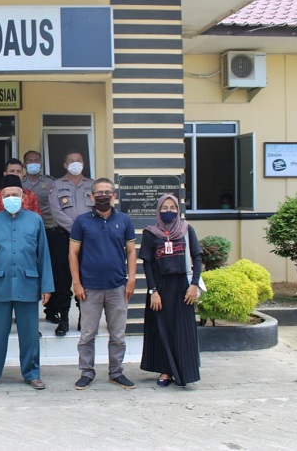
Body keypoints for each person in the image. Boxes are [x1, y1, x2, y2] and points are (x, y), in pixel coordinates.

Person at [0, 175, 54, 391]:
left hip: (28, 283)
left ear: (23, 196)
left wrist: (46, 286)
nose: (11, 198)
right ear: (1, 198)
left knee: (29, 334)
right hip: (0, 284)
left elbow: (43, 254)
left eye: (15, 194)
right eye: (7, 195)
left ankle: (32, 373)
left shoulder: (35, 220)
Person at [69, 178, 137, 390]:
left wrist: (131, 279)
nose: (103, 196)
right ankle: (86, 372)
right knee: (87, 334)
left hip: (117, 286)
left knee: (118, 335)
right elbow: (73, 253)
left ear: (114, 196)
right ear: (92, 196)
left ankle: (116, 372)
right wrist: (76, 283)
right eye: (99, 192)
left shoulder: (124, 220)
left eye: (108, 192)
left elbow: (131, 251)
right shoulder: (81, 221)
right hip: (89, 287)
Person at [140, 194, 202, 387]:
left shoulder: (186, 230)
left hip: (183, 287)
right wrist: (153, 291)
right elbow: (147, 264)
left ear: (178, 209)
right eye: (164, 208)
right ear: (158, 210)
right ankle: (165, 371)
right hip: (160, 287)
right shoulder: (150, 233)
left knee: (182, 330)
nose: (169, 211)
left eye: (173, 207)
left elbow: (197, 257)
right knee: (162, 329)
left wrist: (194, 285)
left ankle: (184, 370)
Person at [47, 151, 94, 336]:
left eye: (79, 160)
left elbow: (97, 210)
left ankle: (83, 318)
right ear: (65, 165)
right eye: (71, 161)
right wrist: (77, 228)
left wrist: (85, 230)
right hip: (63, 237)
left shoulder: (92, 185)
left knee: (86, 278)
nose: (75, 163)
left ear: (84, 163)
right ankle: (64, 319)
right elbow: (56, 212)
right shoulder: (56, 185)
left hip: (88, 239)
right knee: (62, 278)